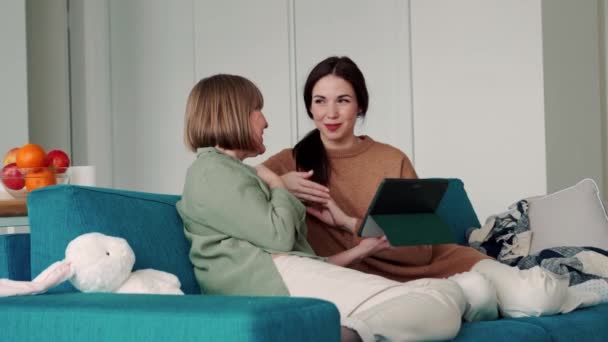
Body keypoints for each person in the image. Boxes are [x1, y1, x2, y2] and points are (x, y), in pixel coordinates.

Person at [263, 56, 592, 321]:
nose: (330, 113)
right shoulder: (288, 163)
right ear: (309, 107)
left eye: (343, 100)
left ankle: (592, 289)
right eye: (320, 101)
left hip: (444, 263)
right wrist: (279, 182)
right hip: (389, 288)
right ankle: (478, 300)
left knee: (540, 295)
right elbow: (226, 176)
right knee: (476, 295)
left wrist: (349, 223)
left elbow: (420, 251)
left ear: (360, 106)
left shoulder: (391, 159)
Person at [176, 74, 467, 342]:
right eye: (257, 109)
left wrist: (361, 250)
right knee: (440, 305)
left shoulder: (232, 173)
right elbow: (277, 238)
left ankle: (346, 329)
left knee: (451, 292)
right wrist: (279, 185)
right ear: (234, 114)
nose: (265, 121)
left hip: (283, 277)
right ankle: (343, 334)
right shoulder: (212, 172)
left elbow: (294, 257)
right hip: (274, 284)